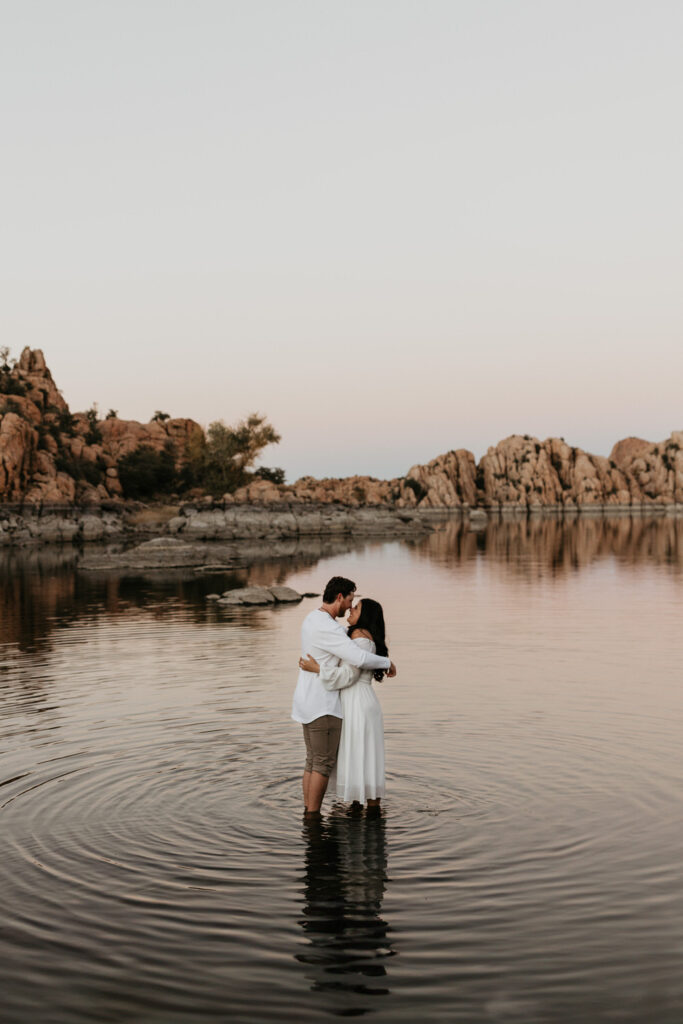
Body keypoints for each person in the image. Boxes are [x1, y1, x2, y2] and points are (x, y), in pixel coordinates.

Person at [292, 577, 396, 815]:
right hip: (324, 704)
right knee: (320, 763)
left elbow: (354, 663)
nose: (351, 606)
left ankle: (311, 815)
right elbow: (357, 659)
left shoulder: (314, 619)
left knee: (315, 761)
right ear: (340, 597)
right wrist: (387, 662)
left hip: (320, 703)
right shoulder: (336, 629)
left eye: (355, 606)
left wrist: (318, 669)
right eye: (351, 601)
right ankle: (312, 815)